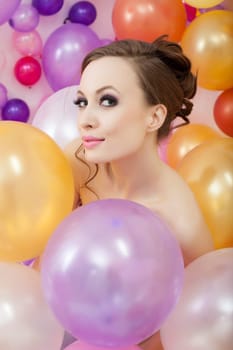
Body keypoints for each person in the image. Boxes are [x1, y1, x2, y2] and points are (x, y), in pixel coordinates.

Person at [64, 35, 214, 350]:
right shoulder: (79, 160)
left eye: (107, 101)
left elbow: (199, 322)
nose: (86, 121)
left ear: (154, 117)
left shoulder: (178, 220)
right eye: (82, 101)